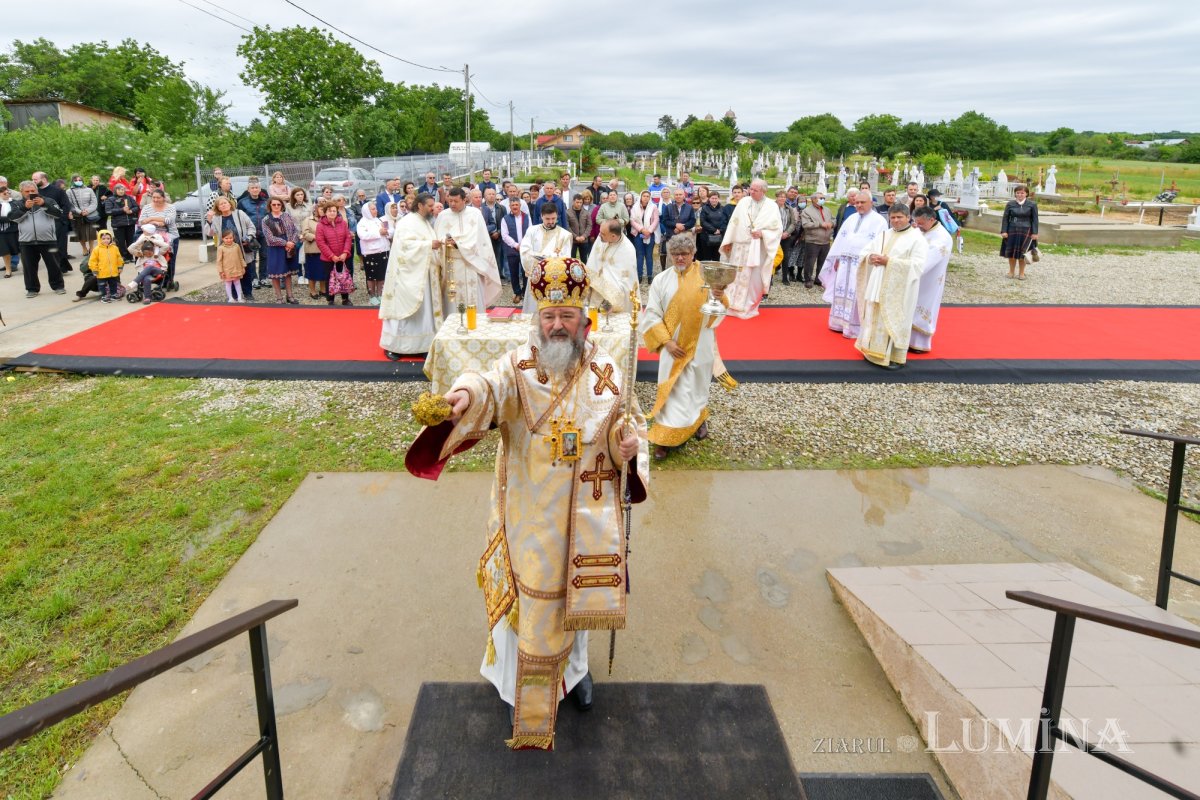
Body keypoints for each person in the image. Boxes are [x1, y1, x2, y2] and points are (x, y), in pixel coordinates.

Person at [405, 257, 649, 750]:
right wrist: (462, 396)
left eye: (567, 316)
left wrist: (630, 449)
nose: (557, 326)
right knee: (530, 604)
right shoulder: (518, 365)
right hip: (528, 511)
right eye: (548, 316)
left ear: (584, 319)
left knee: (575, 600)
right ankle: (517, 685)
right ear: (535, 318)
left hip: (583, 517)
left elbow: (630, 425)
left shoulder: (606, 369)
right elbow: (488, 387)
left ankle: (574, 673)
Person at [641, 233, 725, 460]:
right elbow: (651, 313)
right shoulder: (661, 280)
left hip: (700, 344)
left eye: (685, 254)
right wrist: (666, 342)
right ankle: (665, 437)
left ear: (693, 254)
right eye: (676, 254)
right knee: (673, 389)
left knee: (697, 386)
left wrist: (719, 296)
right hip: (672, 348)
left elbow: (718, 310)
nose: (680, 258)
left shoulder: (707, 276)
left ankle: (698, 420)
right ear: (669, 255)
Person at [854, 205, 929, 369]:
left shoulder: (917, 239)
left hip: (900, 290)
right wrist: (870, 257)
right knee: (875, 317)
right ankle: (871, 351)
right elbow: (867, 251)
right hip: (878, 284)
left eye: (899, 217)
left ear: (908, 217)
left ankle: (894, 357)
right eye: (893, 217)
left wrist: (889, 262)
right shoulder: (884, 234)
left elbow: (918, 266)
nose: (895, 221)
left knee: (895, 321)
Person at [379, 193, 445, 358]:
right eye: (430, 205)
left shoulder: (425, 222)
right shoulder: (407, 222)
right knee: (405, 309)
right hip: (408, 276)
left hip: (425, 274)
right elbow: (404, 246)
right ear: (420, 205)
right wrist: (429, 245)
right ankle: (395, 346)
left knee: (424, 312)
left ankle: (423, 345)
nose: (432, 208)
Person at [819, 191, 887, 338]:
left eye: (862, 202)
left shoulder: (879, 221)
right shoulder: (851, 218)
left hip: (862, 264)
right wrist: (836, 258)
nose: (859, 205)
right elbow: (841, 239)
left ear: (871, 203)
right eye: (857, 203)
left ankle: (853, 328)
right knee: (841, 289)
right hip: (844, 262)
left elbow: (880, 243)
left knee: (857, 292)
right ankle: (838, 322)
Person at [719, 179, 782, 319]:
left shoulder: (772, 206)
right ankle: (730, 303)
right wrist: (729, 240)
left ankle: (749, 306)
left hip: (758, 248)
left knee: (754, 278)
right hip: (740, 246)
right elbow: (733, 222)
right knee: (735, 275)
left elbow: (777, 229)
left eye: (755, 190)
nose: (751, 192)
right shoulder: (743, 202)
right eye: (751, 189)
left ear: (763, 191)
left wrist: (763, 233)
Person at [435, 187, 502, 316]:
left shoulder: (475, 214)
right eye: (450, 201)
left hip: (473, 263)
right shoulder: (443, 215)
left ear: (464, 200)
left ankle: (476, 326)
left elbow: (481, 239)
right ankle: (452, 327)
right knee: (452, 300)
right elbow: (438, 237)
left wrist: (458, 244)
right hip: (451, 264)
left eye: (455, 201)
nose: (452, 204)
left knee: (474, 296)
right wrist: (444, 241)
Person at [8, 180, 66, 297]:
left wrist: (44, 204)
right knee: (29, 268)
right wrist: (25, 208)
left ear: (37, 190)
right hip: (26, 241)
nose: (30, 193)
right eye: (27, 191)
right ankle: (32, 289)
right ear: (22, 192)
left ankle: (58, 286)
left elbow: (59, 213)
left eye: (33, 191)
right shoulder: (17, 204)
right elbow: (13, 218)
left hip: (48, 240)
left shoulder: (48, 200)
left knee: (53, 265)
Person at [910, 206, 953, 354]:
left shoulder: (942, 237)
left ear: (932, 219)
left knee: (924, 305)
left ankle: (920, 343)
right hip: (914, 276)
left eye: (921, 223)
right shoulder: (921, 230)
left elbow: (928, 260)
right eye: (916, 222)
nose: (918, 226)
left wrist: (908, 269)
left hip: (930, 279)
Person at [518, 204, 573, 314]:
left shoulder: (565, 235)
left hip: (553, 279)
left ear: (557, 216)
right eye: (547, 218)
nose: (551, 221)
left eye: (553, 218)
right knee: (533, 309)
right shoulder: (532, 231)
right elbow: (525, 251)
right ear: (541, 216)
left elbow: (566, 258)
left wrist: (544, 258)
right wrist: (547, 257)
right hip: (535, 275)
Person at [205, 196, 258, 301]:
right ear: (218, 207)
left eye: (225, 203)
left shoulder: (239, 213)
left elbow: (251, 227)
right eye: (221, 204)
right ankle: (234, 295)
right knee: (230, 273)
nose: (224, 205)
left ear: (230, 204)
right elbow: (210, 233)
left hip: (242, 248)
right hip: (227, 251)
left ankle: (248, 293)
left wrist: (248, 237)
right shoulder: (216, 218)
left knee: (246, 270)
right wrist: (209, 221)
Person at [586, 219, 639, 310]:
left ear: (613, 236)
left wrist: (609, 292)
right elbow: (593, 260)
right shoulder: (601, 237)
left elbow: (626, 280)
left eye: (603, 234)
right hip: (595, 288)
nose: (599, 235)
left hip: (612, 295)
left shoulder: (628, 250)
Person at [262, 196, 301, 303]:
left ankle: (290, 295)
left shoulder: (287, 216)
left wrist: (292, 242)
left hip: (289, 247)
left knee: (287, 272)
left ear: (282, 205)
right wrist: (285, 243)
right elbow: (269, 238)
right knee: (276, 273)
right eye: (274, 204)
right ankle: (279, 297)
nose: (276, 206)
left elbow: (295, 230)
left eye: (278, 204)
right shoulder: (266, 220)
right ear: (270, 205)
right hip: (275, 249)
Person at [138, 189, 179, 290]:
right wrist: (156, 222)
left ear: (163, 198)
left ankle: (168, 279)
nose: (155, 200)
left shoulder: (171, 207)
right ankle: (145, 276)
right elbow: (141, 221)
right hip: (150, 234)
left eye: (158, 198)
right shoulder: (147, 207)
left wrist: (151, 218)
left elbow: (169, 220)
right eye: (154, 198)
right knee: (141, 248)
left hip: (169, 233)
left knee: (169, 256)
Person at [33, 171, 73, 271]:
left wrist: (62, 219)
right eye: (32, 179)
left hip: (58, 222)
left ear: (44, 179)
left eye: (35, 179)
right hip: (42, 224)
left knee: (60, 246)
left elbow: (66, 205)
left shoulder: (58, 191)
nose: (33, 181)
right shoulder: (34, 192)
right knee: (48, 247)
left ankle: (61, 267)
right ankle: (55, 266)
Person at [317, 202, 354, 305]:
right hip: (329, 258)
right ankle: (331, 299)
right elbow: (320, 242)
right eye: (330, 211)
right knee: (330, 278)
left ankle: (345, 299)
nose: (332, 213)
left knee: (344, 277)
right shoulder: (320, 226)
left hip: (343, 256)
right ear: (325, 212)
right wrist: (331, 256)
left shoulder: (342, 223)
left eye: (334, 211)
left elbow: (348, 238)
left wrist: (345, 252)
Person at [1000, 184, 1038, 280]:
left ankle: (1021, 273)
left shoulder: (1032, 204)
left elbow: (1035, 219)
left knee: (1023, 253)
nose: (1020, 195)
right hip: (1012, 229)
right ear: (1015, 194)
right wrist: (1004, 231)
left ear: (1026, 194)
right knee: (1011, 253)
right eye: (1018, 193)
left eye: (1022, 193)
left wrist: (1035, 233)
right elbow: (1005, 218)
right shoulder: (1010, 204)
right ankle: (1011, 272)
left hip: (1026, 231)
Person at [357, 201, 392, 306]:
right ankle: (372, 295)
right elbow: (363, 235)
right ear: (367, 211)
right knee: (372, 275)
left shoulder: (379, 220)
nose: (375, 210)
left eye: (375, 208)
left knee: (381, 274)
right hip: (371, 252)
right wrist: (378, 233)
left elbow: (389, 230)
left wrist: (387, 232)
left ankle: (381, 294)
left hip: (383, 250)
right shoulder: (362, 223)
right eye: (373, 209)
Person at [238, 179, 270, 289]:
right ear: (248, 190)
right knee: (251, 257)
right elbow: (239, 218)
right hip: (250, 234)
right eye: (252, 188)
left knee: (265, 256)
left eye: (257, 188)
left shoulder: (266, 201)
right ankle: (253, 279)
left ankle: (263, 277)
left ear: (260, 189)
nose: (255, 190)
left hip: (264, 233)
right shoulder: (242, 202)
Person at [799, 191, 834, 289]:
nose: (823, 200)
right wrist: (820, 224)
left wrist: (832, 224)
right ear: (814, 199)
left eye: (823, 198)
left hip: (826, 240)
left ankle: (819, 279)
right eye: (821, 198)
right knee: (810, 262)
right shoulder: (807, 211)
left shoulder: (827, 209)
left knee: (822, 262)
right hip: (813, 240)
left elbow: (833, 219)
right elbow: (805, 224)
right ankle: (808, 279)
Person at [500, 196, 530, 305]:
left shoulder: (526, 217)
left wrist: (524, 244)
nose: (515, 207)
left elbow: (530, 231)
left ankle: (525, 292)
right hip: (512, 250)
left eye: (516, 205)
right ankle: (517, 292)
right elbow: (504, 235)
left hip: (525, 249)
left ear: (520, 205)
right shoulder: (505, 219)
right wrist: (516, 245)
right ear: (510, 207)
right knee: (514, 273)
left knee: (526, 272)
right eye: (513, 205)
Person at [629, 190, 660, 283]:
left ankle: (650, 275)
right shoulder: (635, 207)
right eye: (644, 196)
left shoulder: (653, 207)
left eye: (648, 196)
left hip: (650, 234)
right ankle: (639, 275)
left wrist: (649, 231)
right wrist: (642, 230)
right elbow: (632, 220)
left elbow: (656, 220)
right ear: (641, 197)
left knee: (649, 255)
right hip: (638, 234)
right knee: (640, 255)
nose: (646, 197)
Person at [104, 184, 140, 262]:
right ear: (115, 190)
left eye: (123, 189)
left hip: (130, 223)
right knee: (120, 241)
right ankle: (123, 257)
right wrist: (122, 210)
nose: (121, 191)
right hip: (118, 224)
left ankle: (130, 256)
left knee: (130, 240)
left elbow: (136, 207)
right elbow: (108, 211)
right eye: (119, 189)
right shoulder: (110, 199)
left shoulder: (129, 198)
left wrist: (131, 211)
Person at [87, 229, 123, 302]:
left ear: (111, 239)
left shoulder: (115, 248)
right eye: (103, 239)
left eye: (108, 238)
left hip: (113, 271)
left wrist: (120, 266)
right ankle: (104, 296)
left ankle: (113, 294)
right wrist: (94, 269)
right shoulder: (96, 249)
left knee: (113, 284)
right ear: (99, 239)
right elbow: (92, 261)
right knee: (102, 285)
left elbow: (119, 258)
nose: (106, 240)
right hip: (101, 272)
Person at [67, 174, 98, 257]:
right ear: (72, 181)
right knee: (80, 234)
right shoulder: (69, 191)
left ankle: (91, 248)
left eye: (80, 180)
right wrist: (80, 212)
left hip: (89, 215)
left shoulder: (89, 190)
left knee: (91, 232)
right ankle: (84, 248)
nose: (78, 182)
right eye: (76, 180)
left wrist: (88, 211)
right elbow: (70, 204)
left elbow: (94, 202)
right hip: (77, 215)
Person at [481, 187, 507, 279]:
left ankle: (498, 274)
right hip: (485, 236)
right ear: (484, 196)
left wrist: (498, 232)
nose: (491, 196)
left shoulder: (501, 208)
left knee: (499, 255)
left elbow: (505, 223)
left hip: (498, 235)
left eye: (493, 194)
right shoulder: (481, 208)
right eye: (489, 194)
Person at [300, 203, 325, 300]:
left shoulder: (327, 220)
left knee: (324, 270)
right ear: (316, 209)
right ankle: (312, 290)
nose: (322, 211)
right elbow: (305, 233)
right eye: (321, 209)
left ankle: (323, 290)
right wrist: (318, 238)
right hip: (312, 249)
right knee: (312, 271)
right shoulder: (308, 220)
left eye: (324, 209)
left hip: (325, 250)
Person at [776, 190, 800, 285]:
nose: (782, 198)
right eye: (780, 196)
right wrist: (777, 233)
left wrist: (787, 232)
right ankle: (769, 277)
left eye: (784, 197)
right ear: (776, 197)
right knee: (773, 256)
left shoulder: (789, 208)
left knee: (786, 257)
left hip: (786, 236)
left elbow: (793, 223)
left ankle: (785, 277)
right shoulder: (772, 207)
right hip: (774, 236)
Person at [216, 229, 246, 302]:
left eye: (230, 238)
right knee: (228, 283)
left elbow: (240, 257)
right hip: (227, 270)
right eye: (226, 238)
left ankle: (239, 297)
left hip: (237, 268)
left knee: (237, 282)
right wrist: (221, 271)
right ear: (222, 238)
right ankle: (230, 298)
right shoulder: (221, 248)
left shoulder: (237, 246)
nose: (229, 240)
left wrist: (243, 266)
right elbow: (219, 261)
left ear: (233, 238)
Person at [697, 191, 725, 263]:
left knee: (717, 257)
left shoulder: (723, 209)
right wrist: (714, 230)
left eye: (716, 198)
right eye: (712, 198)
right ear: (709, 199)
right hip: (706, 236)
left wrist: (720, 230)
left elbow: (725, 221)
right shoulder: (704, 208)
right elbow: (703, 221)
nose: (714, 200)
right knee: (707, 258)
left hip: (719, 236)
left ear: (718, 199)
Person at [0, 184, 19, 278]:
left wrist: (7, 218)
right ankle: (8, 270)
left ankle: (28, 267)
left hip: (15, 230)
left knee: (20, 249)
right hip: (2, 231)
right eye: (4, 193)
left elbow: (16, 215)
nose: (7, 194)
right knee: (5, 251)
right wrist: (9, 219)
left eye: (8, 192)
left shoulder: (14, 203)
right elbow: (11, 217)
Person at [566, 194, 592, 262]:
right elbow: (567, 226)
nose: (579, 204)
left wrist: (584, 236)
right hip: (573, 240)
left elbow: (589, 225)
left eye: (580, 202)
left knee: (584, 260)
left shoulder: (586, 213)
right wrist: (575, 237)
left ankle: (584, 271)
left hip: (584, 240)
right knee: (572, 259)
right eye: (577, 202)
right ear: (573, 201)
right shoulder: (568, 212)